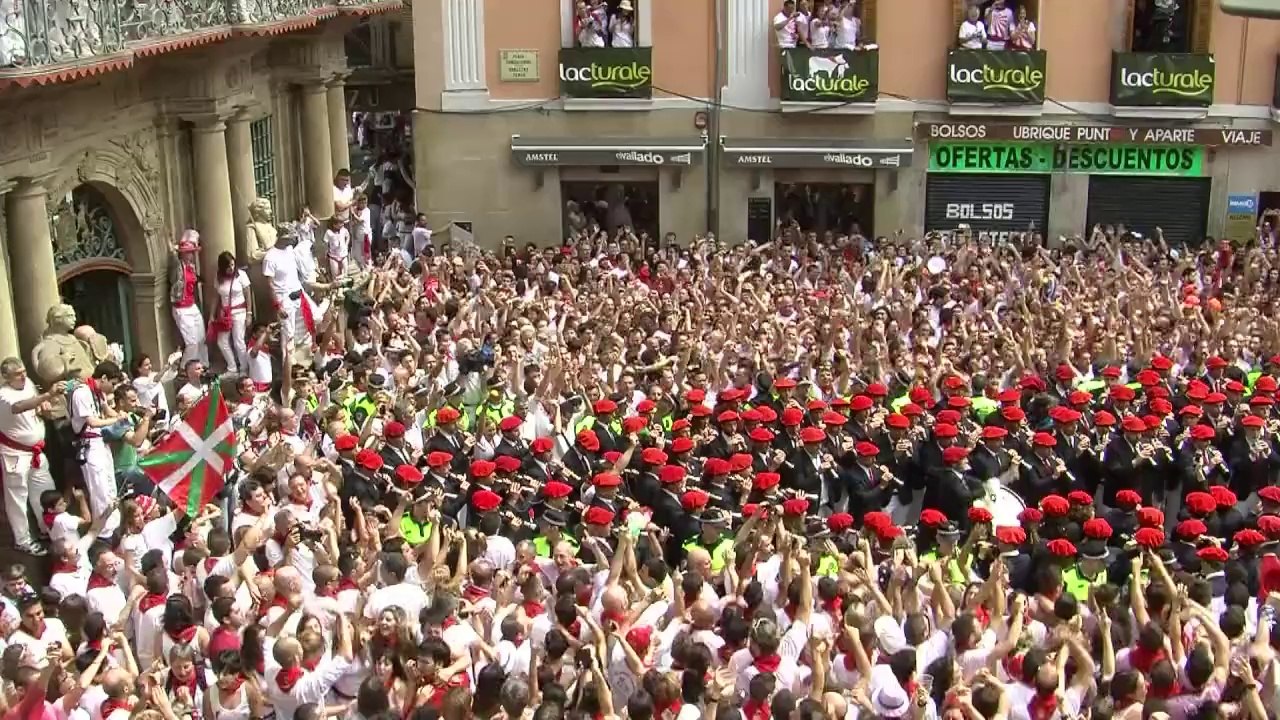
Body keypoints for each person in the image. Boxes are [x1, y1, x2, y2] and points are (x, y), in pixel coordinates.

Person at [0, 357, 58, 555]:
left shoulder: (30, 384)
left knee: (44, 490)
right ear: (6, 378)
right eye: (17, 374)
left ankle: (48, 528)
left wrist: (43, 407)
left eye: (24, 371)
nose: (23, 375)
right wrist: (47, 395)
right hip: (15, 454)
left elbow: (32, 404)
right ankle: (22, 540)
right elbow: (19, 407)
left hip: (36, 451)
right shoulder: (3, 395)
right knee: (17, 498)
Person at [211, 250, 254, 374]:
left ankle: (244, 368)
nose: (231, 268)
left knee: (238, 341)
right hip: (225, 314)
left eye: (232, 265)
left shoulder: (241, 275)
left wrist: (249, 314)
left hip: (239, 312)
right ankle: (232, 366)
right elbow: (215, 297)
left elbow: (248, 294)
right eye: (228, 266)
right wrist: (212, 315)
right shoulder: (218, 278)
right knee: (221, 341)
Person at [169, 229, 208, 364]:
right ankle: (186, 368)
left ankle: (203, 365)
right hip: (181, 307)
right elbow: (173, 258)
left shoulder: (191, 266)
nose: (191, 255)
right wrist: (174, 247)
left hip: (192, 305)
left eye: (192, 252)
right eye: (188, 252)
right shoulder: (177, 266)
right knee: (191, 343)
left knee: (201, 339)